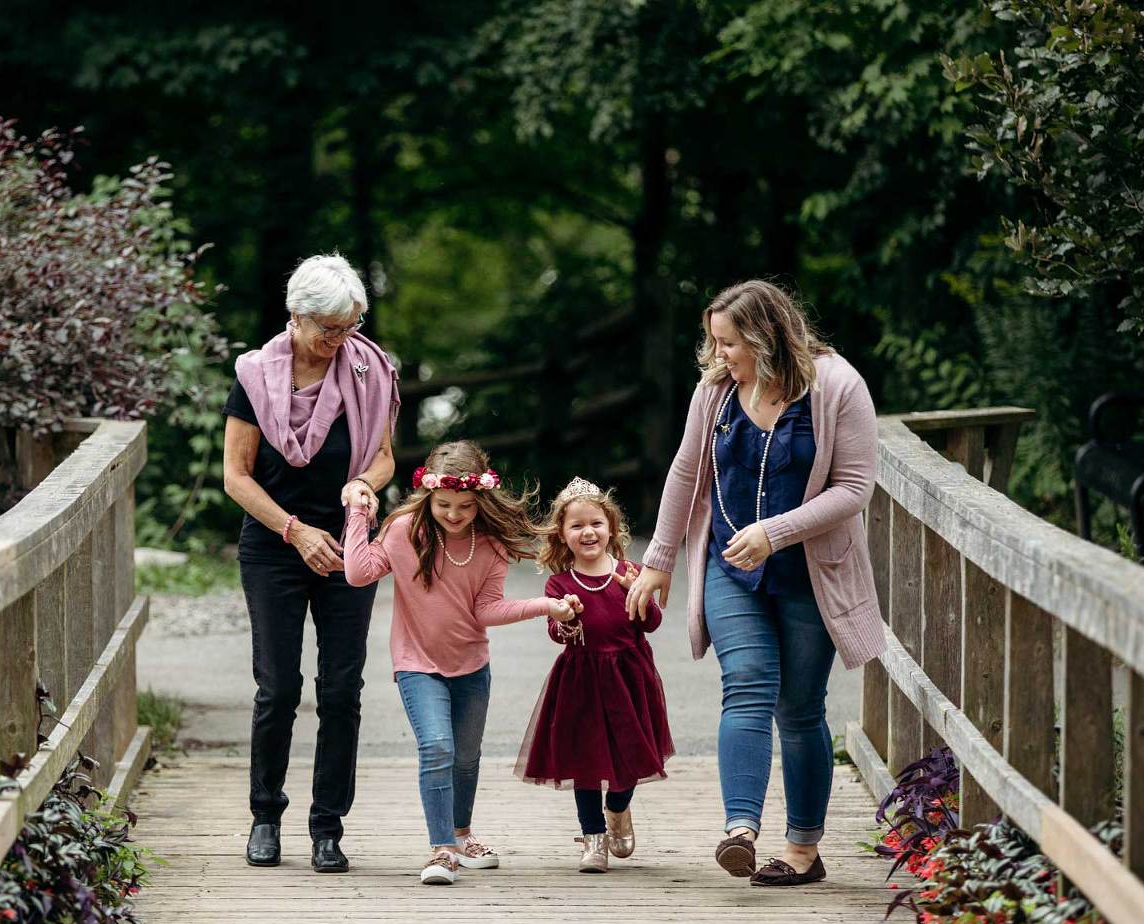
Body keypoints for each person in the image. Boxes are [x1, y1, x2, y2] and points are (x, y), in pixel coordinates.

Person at [625, 279, 883, 888]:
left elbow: (854, 488)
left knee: (798, 708)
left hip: (810, 576)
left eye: (730, 344)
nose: (719, 357)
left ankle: (802, 849)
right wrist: (658, 559)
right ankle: (740, 829)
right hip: (729, 565)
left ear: (766, 339)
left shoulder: (837, 387)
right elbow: (686, 471)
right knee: (745, 684)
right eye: (713, 343)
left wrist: (776, 532)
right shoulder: (715, 391)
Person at [222, 253, 398, 874]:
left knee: (341, 689)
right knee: (279, 688)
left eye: (348, 327)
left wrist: (366, 488)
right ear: (295, 316)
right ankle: (264, 817)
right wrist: (296, 532)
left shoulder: (369, 370)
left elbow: (382, 457)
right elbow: (236, 478)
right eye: (327, 328)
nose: (339, 341)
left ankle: (328, 827)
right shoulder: (252, 375)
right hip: (276, 545)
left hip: (349, 547)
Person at [343, 441, 579, 885]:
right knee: (437, 747)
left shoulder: (487, 544)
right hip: (417, 662)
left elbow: (485, 610)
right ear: (428, 495)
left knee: (466, 758)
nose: (454, 514)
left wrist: (544, 606)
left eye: (466, 506)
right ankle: (442, 850)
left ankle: (462, 833)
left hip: (471, 664)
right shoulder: (403, 531)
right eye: (445, 505)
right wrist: (358, 513)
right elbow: (358, 573)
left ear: (481, 501)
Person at [516, 477, 673, 873]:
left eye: (596, 524)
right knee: (585, 760)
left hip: (628, 676)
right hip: (581, 679)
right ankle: (593, 837)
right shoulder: (560, 583)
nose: (588, 532)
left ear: (611, 528)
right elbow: (556, 632)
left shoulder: (628, 572)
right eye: (577, 526)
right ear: (562, 535)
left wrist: (639, 590)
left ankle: (618, 809)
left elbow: (651, 623)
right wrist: (565, 617)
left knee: (631, 755)